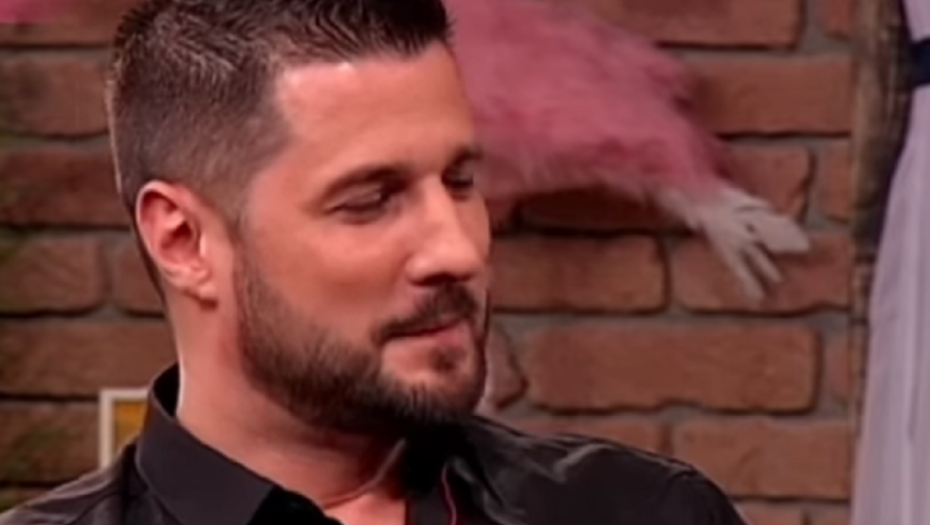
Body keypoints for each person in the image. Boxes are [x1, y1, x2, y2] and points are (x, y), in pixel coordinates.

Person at [0, 1, 750, 524]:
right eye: (371, 200)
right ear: (183, 241)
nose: (457, 250)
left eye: (460, 181)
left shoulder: (644, 511)